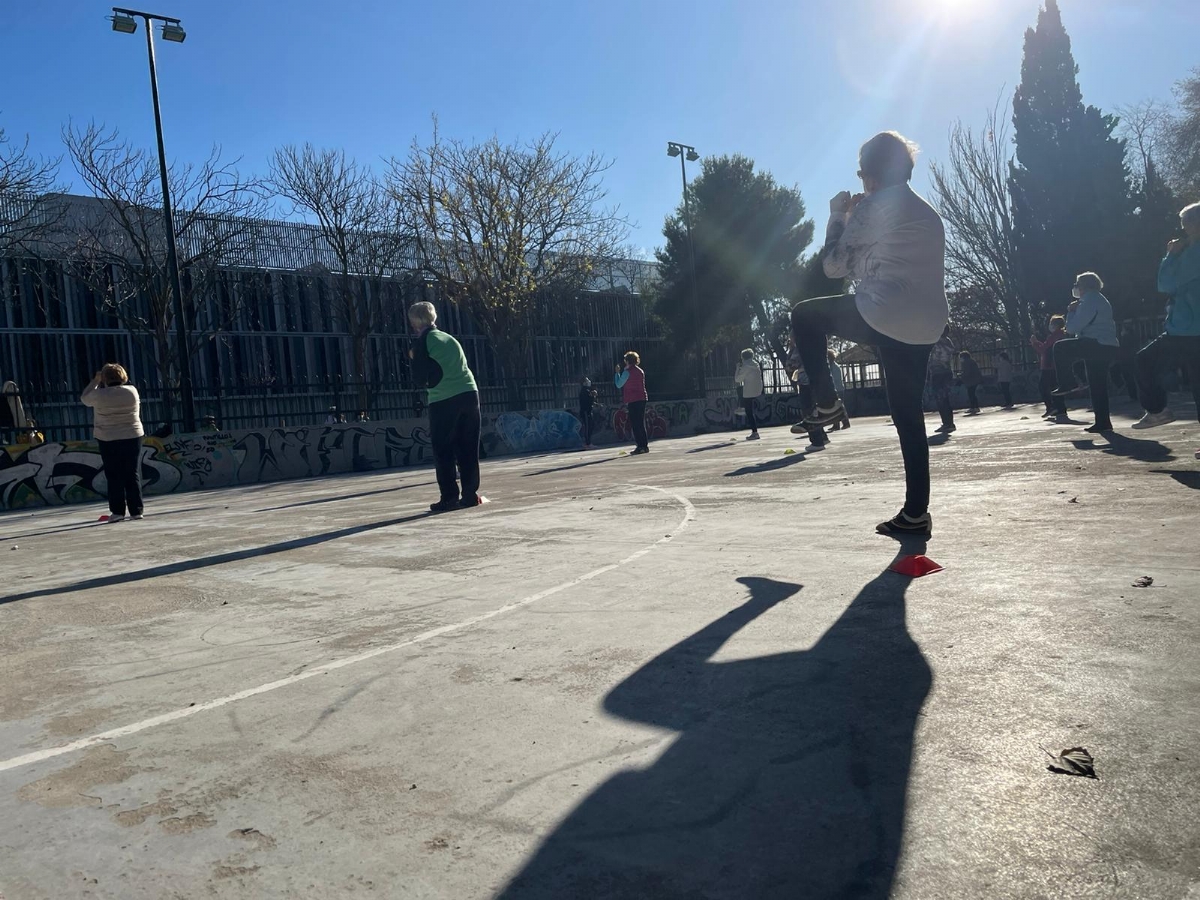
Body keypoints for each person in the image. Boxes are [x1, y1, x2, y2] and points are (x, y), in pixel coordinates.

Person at [789, 131, 948, 536]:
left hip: (885, 312)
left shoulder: (876, 205)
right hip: (927, 323)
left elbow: (833, 267)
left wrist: (838, 217)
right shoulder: (926, 210)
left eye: (861, 174)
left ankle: (826, 402)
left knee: (805, 317)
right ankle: (916, 513)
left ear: (871, 175)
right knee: (908, 415)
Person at [1132, 201, 1200, 433]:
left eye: (1186, 223)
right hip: (1188, 327)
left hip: (1188, 328)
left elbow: (1166, 283)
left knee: (1145, 360)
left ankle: (1157, 410)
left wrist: (1170, 256)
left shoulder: (1194, 252)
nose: (1183, 229)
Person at [408, 300, 482, 511]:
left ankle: (449, 497)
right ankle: (470, 495)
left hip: (443, 398)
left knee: (443, 449)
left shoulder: (423, 342)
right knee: (468, 448)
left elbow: (420, 378)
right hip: (470, 393)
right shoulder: (450, 338)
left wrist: (412, 357)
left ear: (415, 322)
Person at [1051, 271, 1120, 434]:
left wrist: (1071, 311)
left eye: (1078, 284)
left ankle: (1068, 383)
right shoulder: (1099, 299)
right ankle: (1103, 421)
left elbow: (1073, 328)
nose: (1075, 288)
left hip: (1096, 343)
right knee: (1097, 384)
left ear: (1085, 286)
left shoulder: (1089, 300)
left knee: (1060, 348)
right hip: (1107, 345)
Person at [81, 364, 145, 523]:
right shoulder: (132, 391)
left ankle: (117, 512)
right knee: (132, 473)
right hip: (132, 434)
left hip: (108, 436)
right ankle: (136, 510)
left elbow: (85, 398)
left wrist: (96, 381)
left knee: (113, 474)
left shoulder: (99, 395)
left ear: (105, 378)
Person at [1030, 316, 1069, 419]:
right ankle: (1060, 408)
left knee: (1043, 386)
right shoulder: (1062, 335)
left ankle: (1050, 407)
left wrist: (1035, 343)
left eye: (1051, 323)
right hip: (1056, 365)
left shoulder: (1053, 336)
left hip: (1048, 365)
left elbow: (1043, 349)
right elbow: (1046, 347)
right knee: (1055, 387)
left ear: (1055, 325)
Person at [614, 351, 649, 454]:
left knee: (635, 423)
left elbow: (619, 384)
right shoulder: (640, 371)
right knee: (641, 423)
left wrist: (617, 373)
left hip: (633, 399)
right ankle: (644, 446)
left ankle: (639, 446)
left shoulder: (627, 372)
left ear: (627, 361)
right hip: (642, 398)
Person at [928, 327, 956, 434]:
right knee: (945, 398)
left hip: (938, 372)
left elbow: (934, 357)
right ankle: (949, 423)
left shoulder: (936, 343)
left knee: (940, 399)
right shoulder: (948, 342)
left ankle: (947, 423)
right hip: (946, 372)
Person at [733, 349, 764, 440]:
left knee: (749, 412)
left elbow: (737, 379)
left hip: (749, 392)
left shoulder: (745, 366)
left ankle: (755, 432)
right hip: (758, 389)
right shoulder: (756, 364)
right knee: (749, 410)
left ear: (743, 357)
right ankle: (754, 432)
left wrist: (737, 368)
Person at [826, 349, 851, 430]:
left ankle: (844, 423)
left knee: (838, 407)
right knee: (836, 407)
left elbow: (833, 379)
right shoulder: (833, 366)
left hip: (837, 389)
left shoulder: (834, 367)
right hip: (837, 389)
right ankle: (837, 424)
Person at [578, 376, 598, 450]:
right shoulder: (584, 391)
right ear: (584, 383)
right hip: (586, 411)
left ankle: (589, 442)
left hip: (588, 411)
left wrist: (594, 401)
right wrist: (593, 396)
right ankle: (587, 443)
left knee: (591, 426)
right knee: (587, 427)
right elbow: (587, 401)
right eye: (587, 380)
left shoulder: (587, 390)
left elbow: (590, 401)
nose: (589, 381)